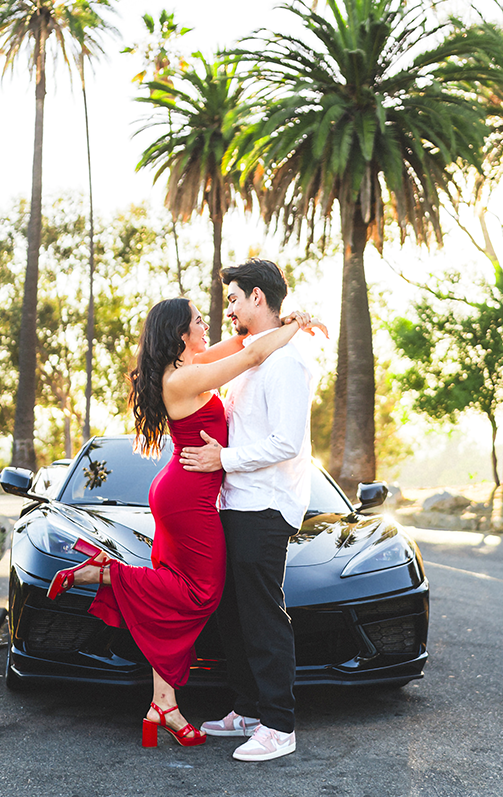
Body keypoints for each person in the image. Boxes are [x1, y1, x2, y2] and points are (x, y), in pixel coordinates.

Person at [46, 296, 314, 749]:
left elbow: (243, 342)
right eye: (197, 320)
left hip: (181, 490)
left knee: (173, 588)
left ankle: (163, 705)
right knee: (201, 592)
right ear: (179, 334)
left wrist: (276, 324)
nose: (207, 323)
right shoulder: (186, 376)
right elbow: (250, 354)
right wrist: (298, 323)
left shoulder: (190, 364)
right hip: (189, 497)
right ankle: (107, 572)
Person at [180, 259, 326, 762]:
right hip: (236, 500)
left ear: (258, 298)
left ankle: (279, 727)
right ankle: (248, 710)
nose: (232, 309)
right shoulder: (256, 354)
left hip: (266, 504)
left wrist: (224, 459)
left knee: (263, 615)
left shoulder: (287, 362)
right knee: (233, 613)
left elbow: (286, 442)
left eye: (237, 299)